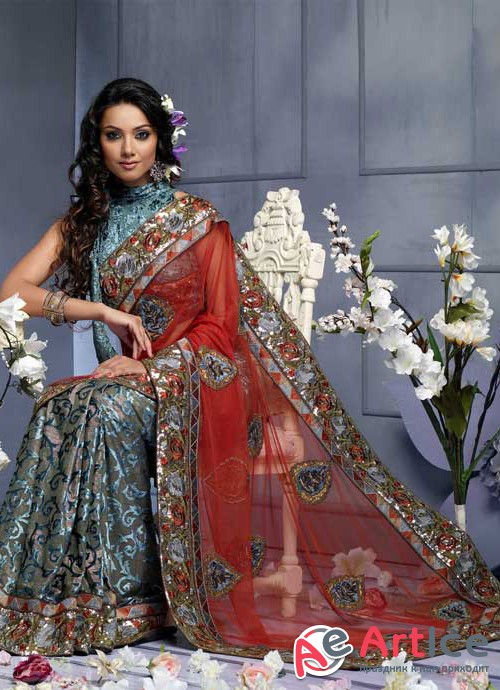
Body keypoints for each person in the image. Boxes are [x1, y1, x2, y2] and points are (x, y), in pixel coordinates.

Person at [0, 77, 498, 666]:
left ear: (161, 140)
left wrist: (153, 371)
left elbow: (221, 327)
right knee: (62, 401)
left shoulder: (198, 221)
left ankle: (128, 599)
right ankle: (59, 594)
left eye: (141, 134)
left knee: (101, 406)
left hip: (197, 380)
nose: (129, 149)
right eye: (114, 136)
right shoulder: (86, 222)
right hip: (128, 377)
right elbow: (12, 291)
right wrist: (101, 310)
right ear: (97, 144)